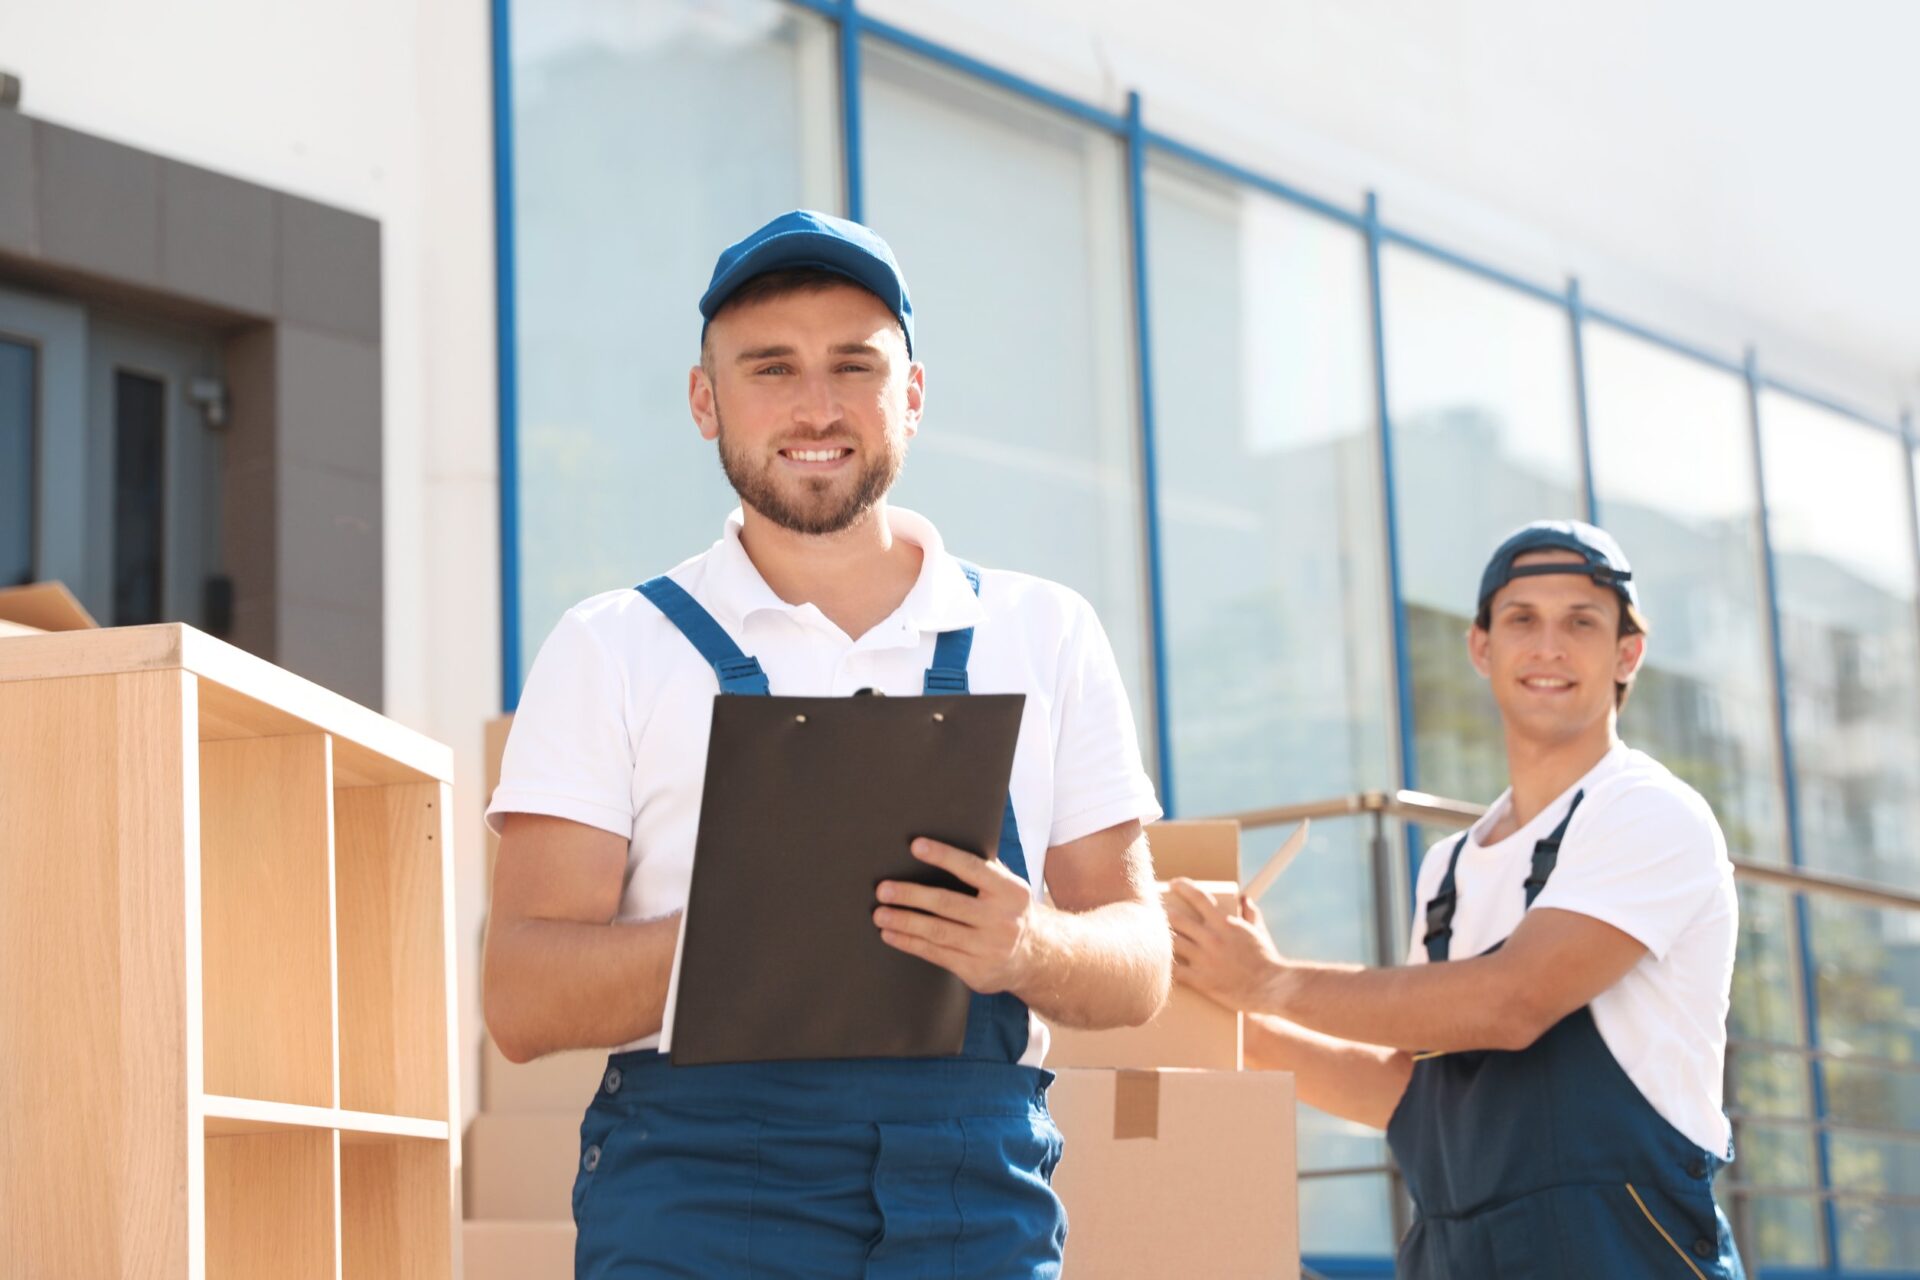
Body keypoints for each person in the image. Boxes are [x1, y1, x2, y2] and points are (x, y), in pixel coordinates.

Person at [481, 209, 1170, 1278]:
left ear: (914, 394)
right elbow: (521, 996)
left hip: (973, 1207)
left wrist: (1027, 945)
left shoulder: (1045, 632)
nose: (816, 406)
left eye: (855, 364)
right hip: (697, 1202)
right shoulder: (611, 646)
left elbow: (1139, 961)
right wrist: (745, 934)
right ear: (706, 401)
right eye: (771, 367)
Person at [1169, 520, 1745, 1279]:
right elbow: (1413, 1097)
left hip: (1621, 1253)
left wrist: (1270, 981)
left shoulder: (1647, 813)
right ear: (1481, 648)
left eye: (1581, 622)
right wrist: (1228, 1011)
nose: (1548, 647)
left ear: (1626, 654)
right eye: (1521, 621)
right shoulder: (1448, 869)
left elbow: (1511, 1003)